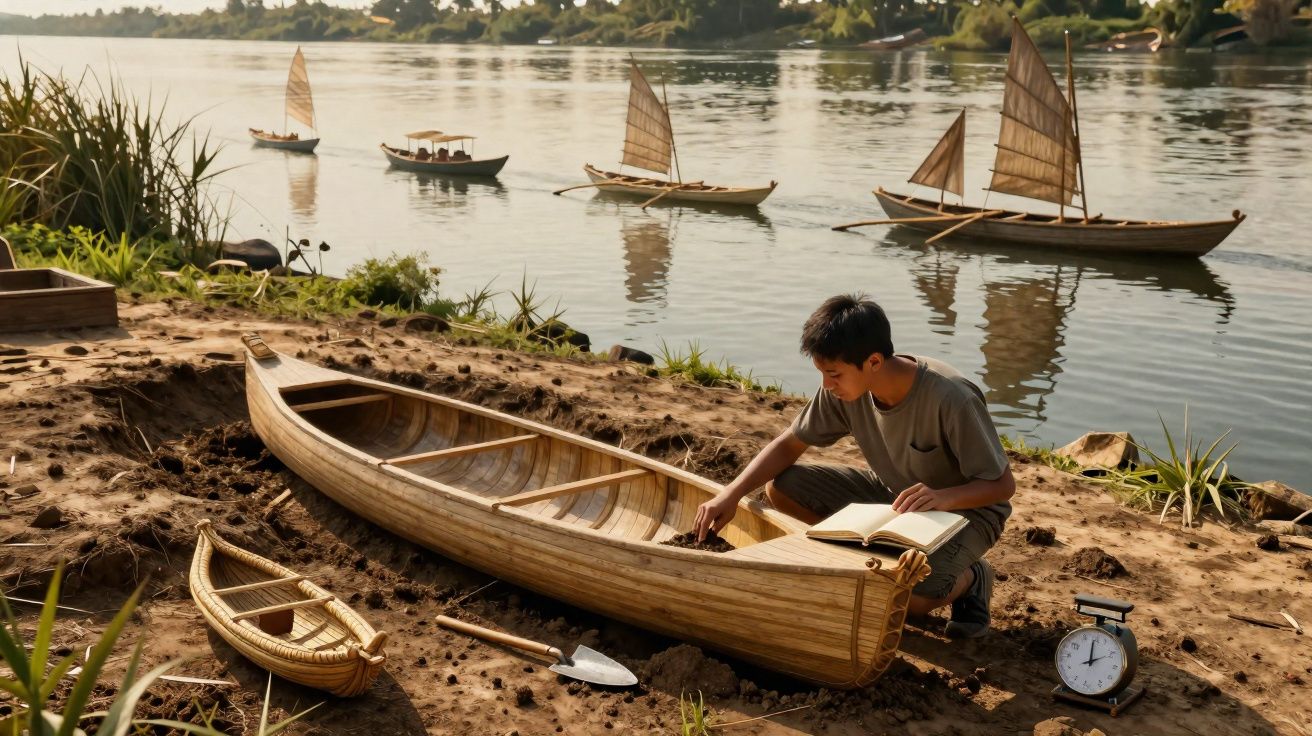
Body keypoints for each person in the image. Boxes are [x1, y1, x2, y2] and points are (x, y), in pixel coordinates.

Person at [693, 294, 1014, 638]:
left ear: (874, 362)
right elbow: (790, 443)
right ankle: (874, 560)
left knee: (909, 597)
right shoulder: (843, 389)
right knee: (782, 488)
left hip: (969, 512)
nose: (826, 386)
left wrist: (942, 498)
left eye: (833, 374)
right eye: (821, 373)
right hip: (897, 497)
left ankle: (972, 578)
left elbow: (1002, 486)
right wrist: (731, 494)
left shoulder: (951, 397)